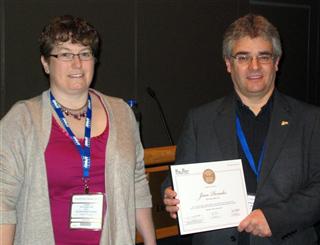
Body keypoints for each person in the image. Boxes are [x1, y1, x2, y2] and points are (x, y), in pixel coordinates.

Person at [162, 13, 320, 245]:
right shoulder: (200, 120)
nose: (254, 66)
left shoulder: (311, 120)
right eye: (243, 57)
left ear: (276, 62)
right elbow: (179, 176)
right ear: (228, 63)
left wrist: (275, 218)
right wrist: (170, 193)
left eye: (263, 57)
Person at [0, 15, 156, 245]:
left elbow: (137, 185)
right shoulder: (22, 120)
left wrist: (151, 241)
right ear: (45, 62)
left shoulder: (122, 113)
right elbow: (3, 202)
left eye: (84, 54)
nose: (77, 64)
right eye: (64, 54)